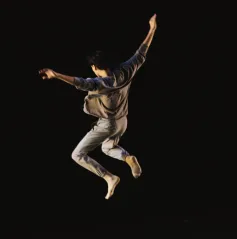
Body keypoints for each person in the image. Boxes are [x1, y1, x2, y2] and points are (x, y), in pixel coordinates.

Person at [39, 14, 157, 200]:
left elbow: (79, 82)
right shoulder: (125, 71)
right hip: (123, 121)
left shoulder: (99, 83)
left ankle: (109, 177)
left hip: (108, 124)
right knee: (107, 147)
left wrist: (55, 75)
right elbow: (141, 53)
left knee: (77, 155)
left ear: (95, 67)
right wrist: (152, 29)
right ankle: (128, 158)